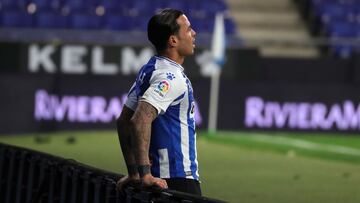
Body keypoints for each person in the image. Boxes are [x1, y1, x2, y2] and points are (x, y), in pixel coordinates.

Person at [116, 8, 201, 195]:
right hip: (178, 181)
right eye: (188, 29)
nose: (193, 33)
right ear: (173, 40)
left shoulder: (149, 70)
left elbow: (123, 121)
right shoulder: (171, 78)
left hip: (158, 181)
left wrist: (135, 172)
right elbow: (140, 120)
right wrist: (145, 175)